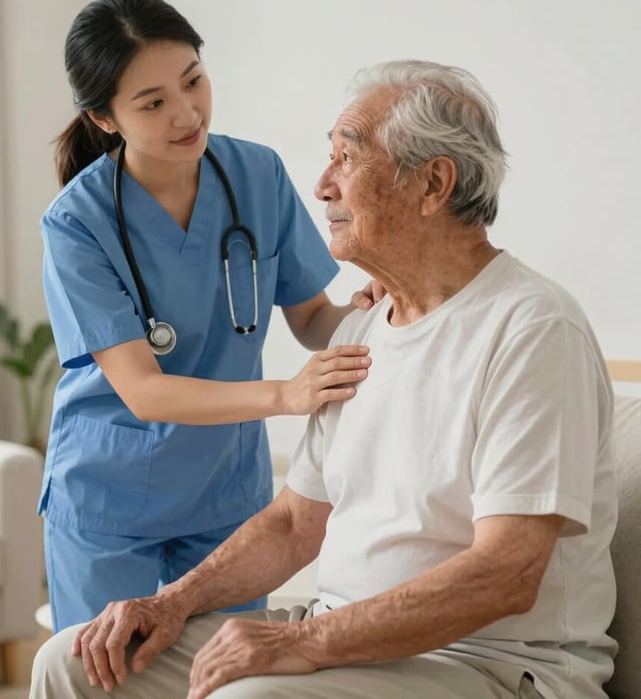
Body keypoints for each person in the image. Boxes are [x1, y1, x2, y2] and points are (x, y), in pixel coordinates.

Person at [31, 59, 618, 699]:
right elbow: (293, 524)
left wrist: (298, 644)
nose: (320, 186)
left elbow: (507, 573)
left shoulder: (531, 329)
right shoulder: (364, 329)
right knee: (74, 661)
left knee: (246, 696)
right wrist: (171, 603)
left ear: (433, 184)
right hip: (341, 633)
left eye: (347, 158)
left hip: (487, 662)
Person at [38, 0, 378, 633]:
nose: (187, 112)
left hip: (224, 490)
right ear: (104, 118)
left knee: (227, 675)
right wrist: (285, 395)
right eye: (153, 102)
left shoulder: (257, 175)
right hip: (111, 492)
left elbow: (310, 319)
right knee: (108, 676)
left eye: (193, 80)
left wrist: (364, 314)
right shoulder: (76, 224)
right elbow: (143, 390)